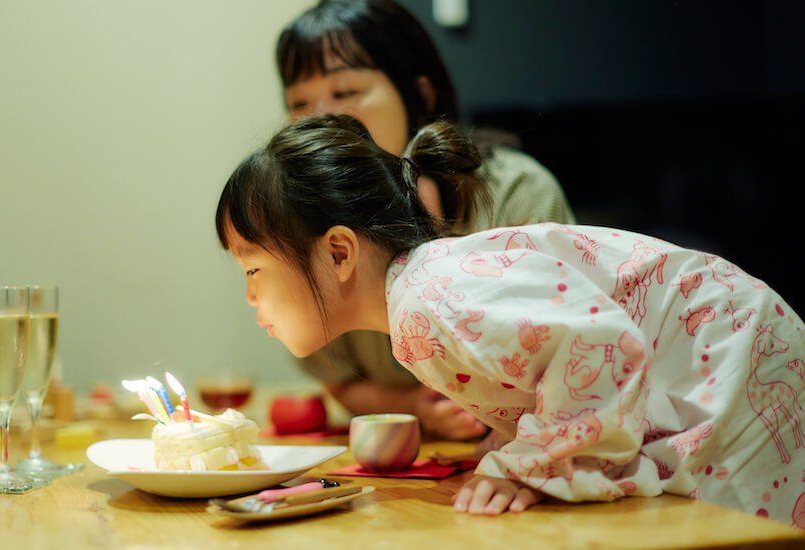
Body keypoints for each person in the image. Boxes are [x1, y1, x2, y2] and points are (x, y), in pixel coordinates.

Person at [215, 113, 805, 524]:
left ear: (339, 252)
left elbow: (598, 343)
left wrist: (526, 468)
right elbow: (540, 373)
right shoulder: (421, 298)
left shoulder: (431, 298)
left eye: (253, 269)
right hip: (723, 344)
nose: (248, 297)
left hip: (736, 357)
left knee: (733, 527)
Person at [275, 0, 576, 439]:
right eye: (299, 102)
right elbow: (337, 375)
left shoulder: (516, 196)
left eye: (345, 93)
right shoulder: (307, 223)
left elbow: (572, 358)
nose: (322, 118)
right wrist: (413, 406)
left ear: (420, 94)